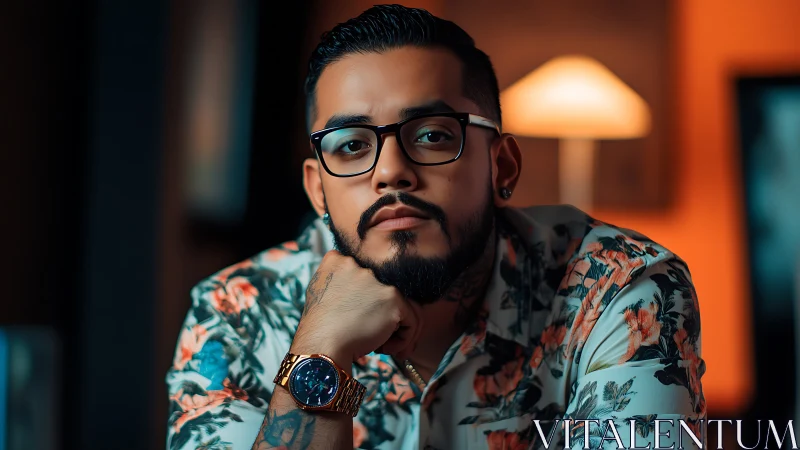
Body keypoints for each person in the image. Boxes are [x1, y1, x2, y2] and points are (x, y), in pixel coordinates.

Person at [165, 5, 705, 449]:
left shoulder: (619, 291)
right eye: (352, 145)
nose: (391, 171)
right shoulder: (239, 310)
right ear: (316, 190)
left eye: (432, 136)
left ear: (502, 166)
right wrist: (322, 352)